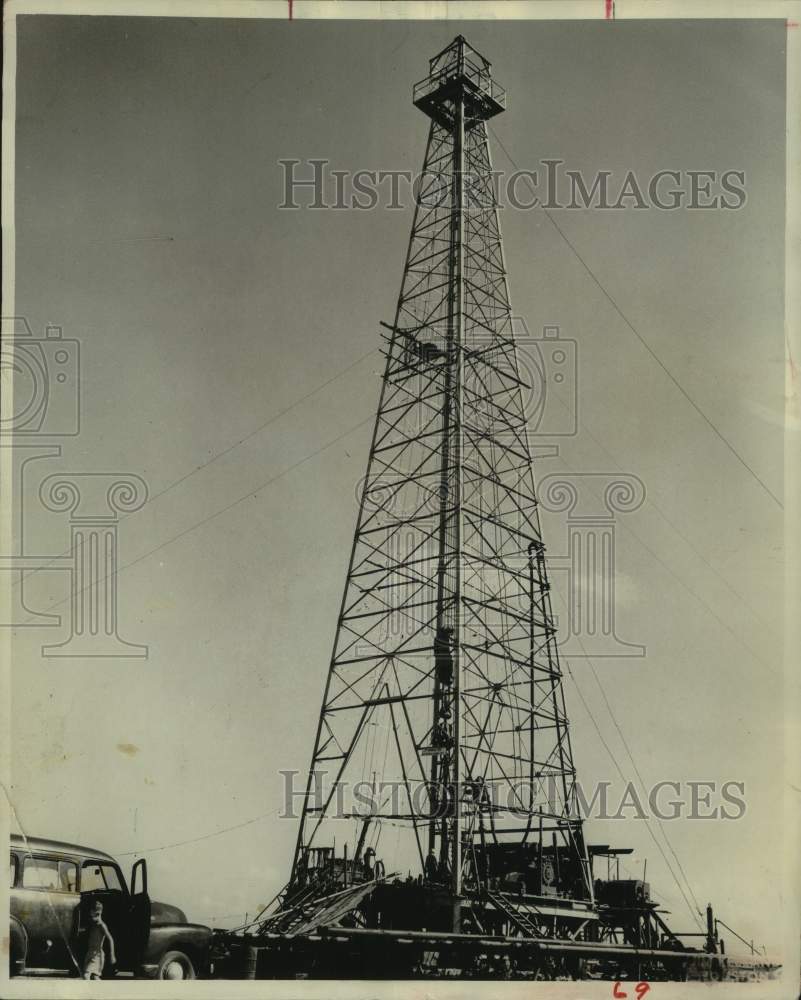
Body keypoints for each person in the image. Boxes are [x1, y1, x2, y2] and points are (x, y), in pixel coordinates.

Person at [82, 901, 116, 980]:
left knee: (86, 975)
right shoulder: (93, 924)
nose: (90, 915)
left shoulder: (102, 925)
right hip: (90, 953)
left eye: (92, 913)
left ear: (98, 913)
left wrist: (112, 955)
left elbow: (110, 939)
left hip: (97, 955)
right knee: (95, 976)